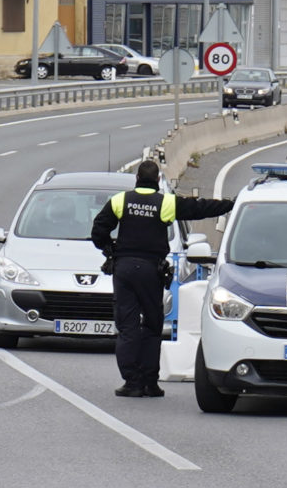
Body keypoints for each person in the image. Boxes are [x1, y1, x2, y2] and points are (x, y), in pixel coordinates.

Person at [90, 160, 236, 398]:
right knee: (151, 325)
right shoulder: (165, 202)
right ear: (158, 180)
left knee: (127, 327)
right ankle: (149, 382)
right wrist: (230, 204)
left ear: (136, 178)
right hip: (150, 270)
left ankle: (131, 382)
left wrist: (110, 249)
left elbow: (98, 230)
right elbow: (199, 208)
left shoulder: (120, 200)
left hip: (124, 269)